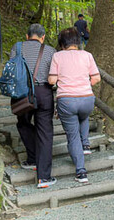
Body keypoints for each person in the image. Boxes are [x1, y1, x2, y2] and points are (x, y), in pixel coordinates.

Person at [48, 27, 100, 183]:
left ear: (62, 43)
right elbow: (96, 78)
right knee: (83, 117)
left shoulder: (57, 56)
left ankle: (81, 172)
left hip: (67, 100)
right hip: (87, 98)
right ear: (77, 41)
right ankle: (85, 145)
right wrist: (84, 84)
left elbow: (51, 80)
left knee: (72, 136)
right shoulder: (87, 55)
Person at [8, 24, 57, 189]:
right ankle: (44, 177)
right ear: (42, 37)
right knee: (45, 132)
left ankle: (32, 158)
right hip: (43, 92)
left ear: (27, 36)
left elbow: (12, 70)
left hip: (21, 92)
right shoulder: (50, 51)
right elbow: (54, 75)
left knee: (23, 123)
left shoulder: (17, 47)